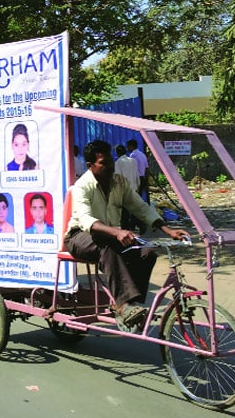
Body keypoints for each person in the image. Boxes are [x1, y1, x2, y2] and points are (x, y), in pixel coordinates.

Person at [65, 140, 189, 331]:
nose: (110, 166)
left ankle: (133, 305)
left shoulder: (119, 183)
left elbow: (140, 207)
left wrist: (168, 230)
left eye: (110, 161)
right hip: (79, 236)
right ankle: (123, 306)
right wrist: (117, 231)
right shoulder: (83, 186)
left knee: (146, 252)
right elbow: (86, 219)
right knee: (108, 248)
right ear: (90, 166)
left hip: (110, 237)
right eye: (103, 163)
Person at [114, 144, 140, 230]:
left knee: (125, 210)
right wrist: (138, 185)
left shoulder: (118, 163)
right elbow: (137, 174)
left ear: (117, 153)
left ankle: (125, 226)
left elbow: (118, 177)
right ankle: (133, 224)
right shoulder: (133, 161)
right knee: (134, 208)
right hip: (134, 186)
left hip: (124, 189)